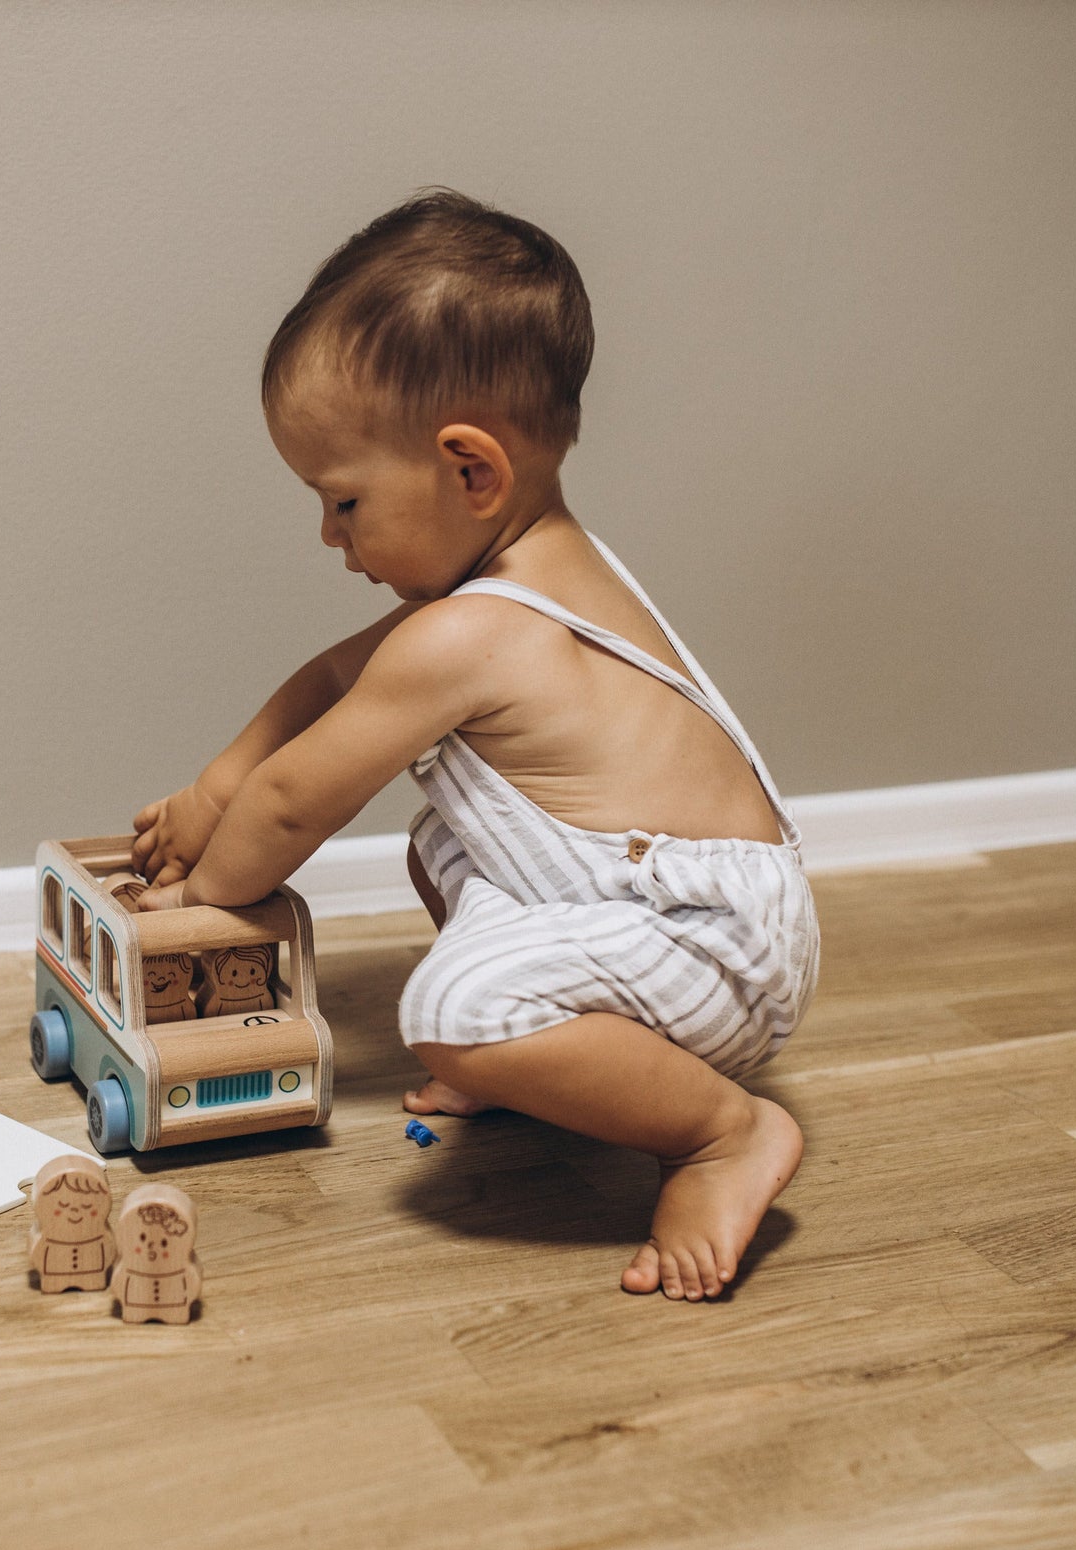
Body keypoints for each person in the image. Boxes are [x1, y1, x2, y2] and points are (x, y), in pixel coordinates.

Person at [133, 189, 820, 1301]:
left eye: (343, 499)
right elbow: (325, 683)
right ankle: (555, 1066)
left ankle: (718, 1132)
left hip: (713, 948)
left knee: (448, 1018)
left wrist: (204, 898)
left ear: (468, 471)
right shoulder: (524, 570)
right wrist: (212, 787)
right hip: (654, 900)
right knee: (441, 844)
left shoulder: (473, 631)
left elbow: (302, 800)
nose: (329, 534)